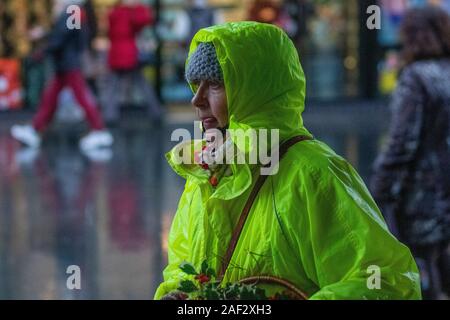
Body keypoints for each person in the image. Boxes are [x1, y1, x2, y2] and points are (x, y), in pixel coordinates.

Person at [154, 21, 421, 300]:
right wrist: (178, 294)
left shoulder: (312, 174)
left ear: (256, 92)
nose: (197, 99)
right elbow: (184, 266)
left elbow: (385, 282)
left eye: (216, 85)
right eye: (196, 85)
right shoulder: (206, 174)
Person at [371, 6, 450, 299]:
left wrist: (377, 192)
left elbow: (402, 142)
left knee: (420, 275)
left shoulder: (416, 77)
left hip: (421, 195)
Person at [11, 0, 113, 152]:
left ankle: (99, 130)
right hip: (66, 63)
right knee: (51, 98)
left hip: (69, 63)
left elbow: (64, 36)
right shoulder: (73, 11)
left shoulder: (73, 10)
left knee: (81, 97)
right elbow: (66, 33)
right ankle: (34, 129)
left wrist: (43, 50)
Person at [102, 0, 162, 124]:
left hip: (118, 54)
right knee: (142, 84)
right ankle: (156, 112)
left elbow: (108, 30)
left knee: (113, 86)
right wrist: (135, 8)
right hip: (129, 54)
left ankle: (110, 115)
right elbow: (146, 19)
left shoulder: (116, 11)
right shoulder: (130, 12)